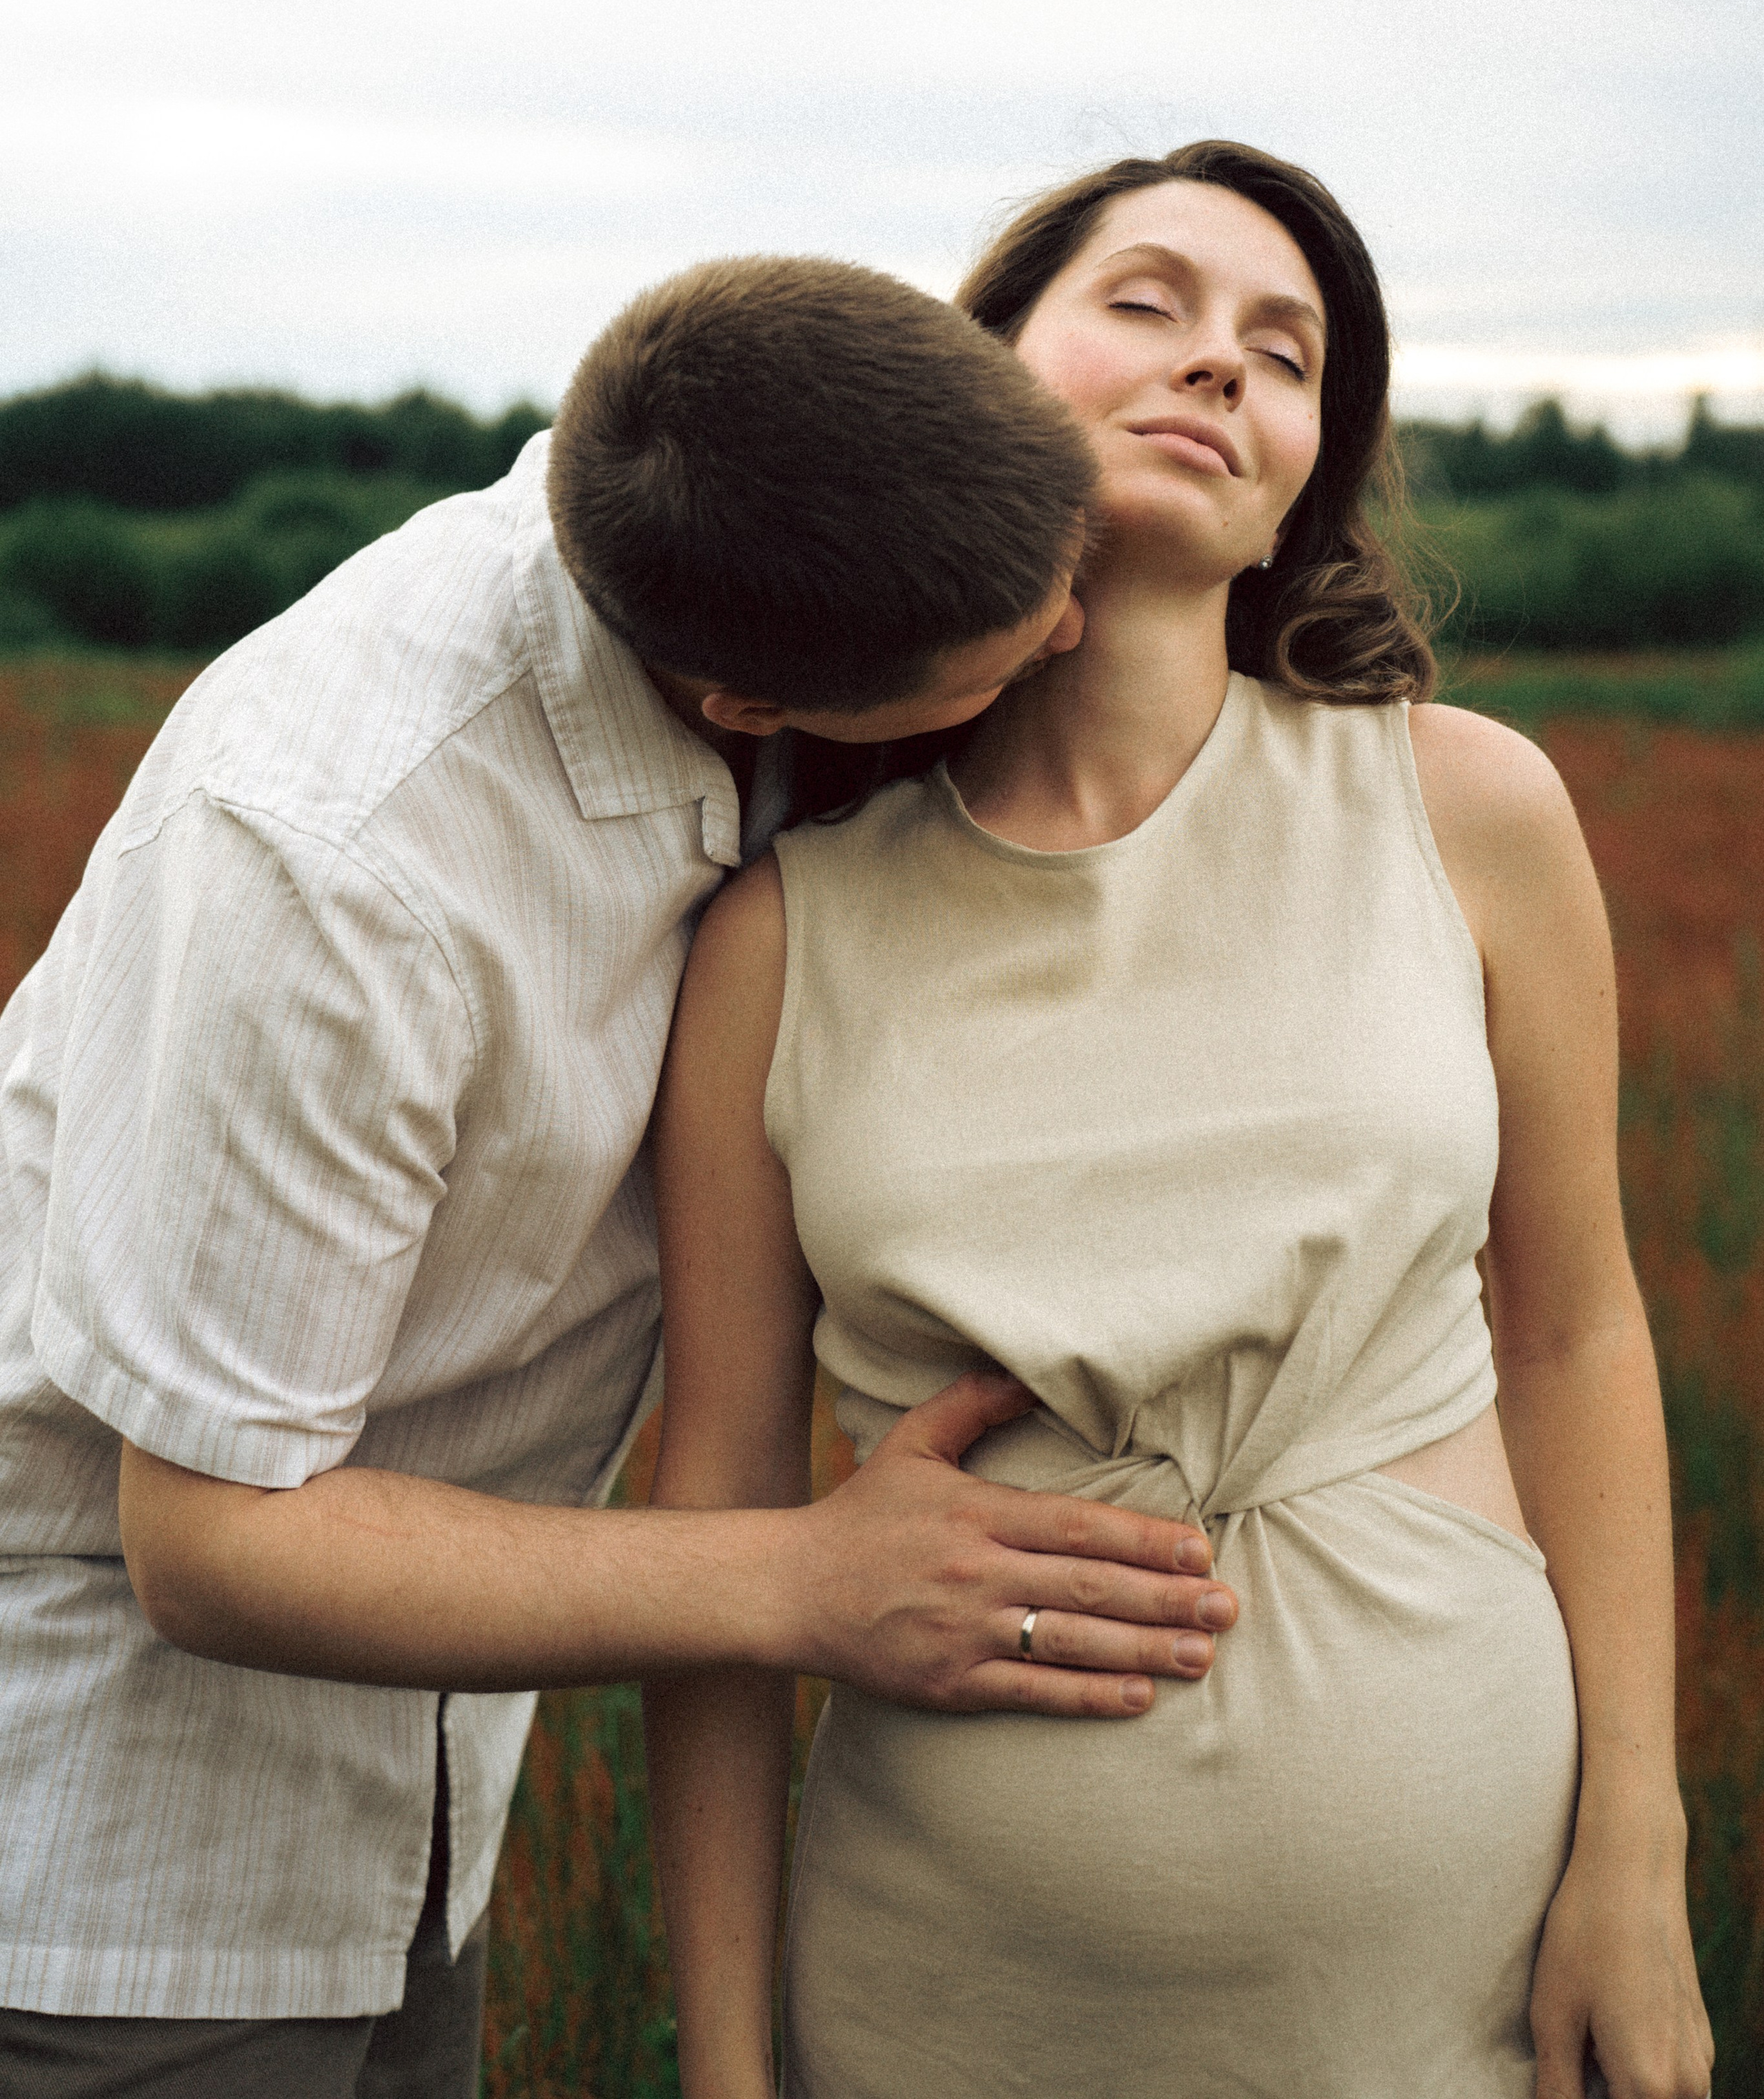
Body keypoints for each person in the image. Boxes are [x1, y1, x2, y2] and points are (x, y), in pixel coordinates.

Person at [0, 256, 1236, 2098]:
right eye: (1015, 645)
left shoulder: (742, 496)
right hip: (128, 1868)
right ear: (749, 697)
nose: (1074, 632)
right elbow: (215, 1544)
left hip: (418, 1819)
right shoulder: (334, 872)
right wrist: (807, 1581)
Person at [645, 151, 1716, 2099]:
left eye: (1284, 354)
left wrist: (1639, 1859)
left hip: (1461, 1973)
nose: (1222, 363)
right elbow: (714, 1526)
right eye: (1147, 303)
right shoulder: (779, 939)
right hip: (944, 1995)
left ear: (1303, 477)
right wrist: (722, 2071)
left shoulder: (1471, 812)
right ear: (981, 373)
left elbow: (1578, 1332)